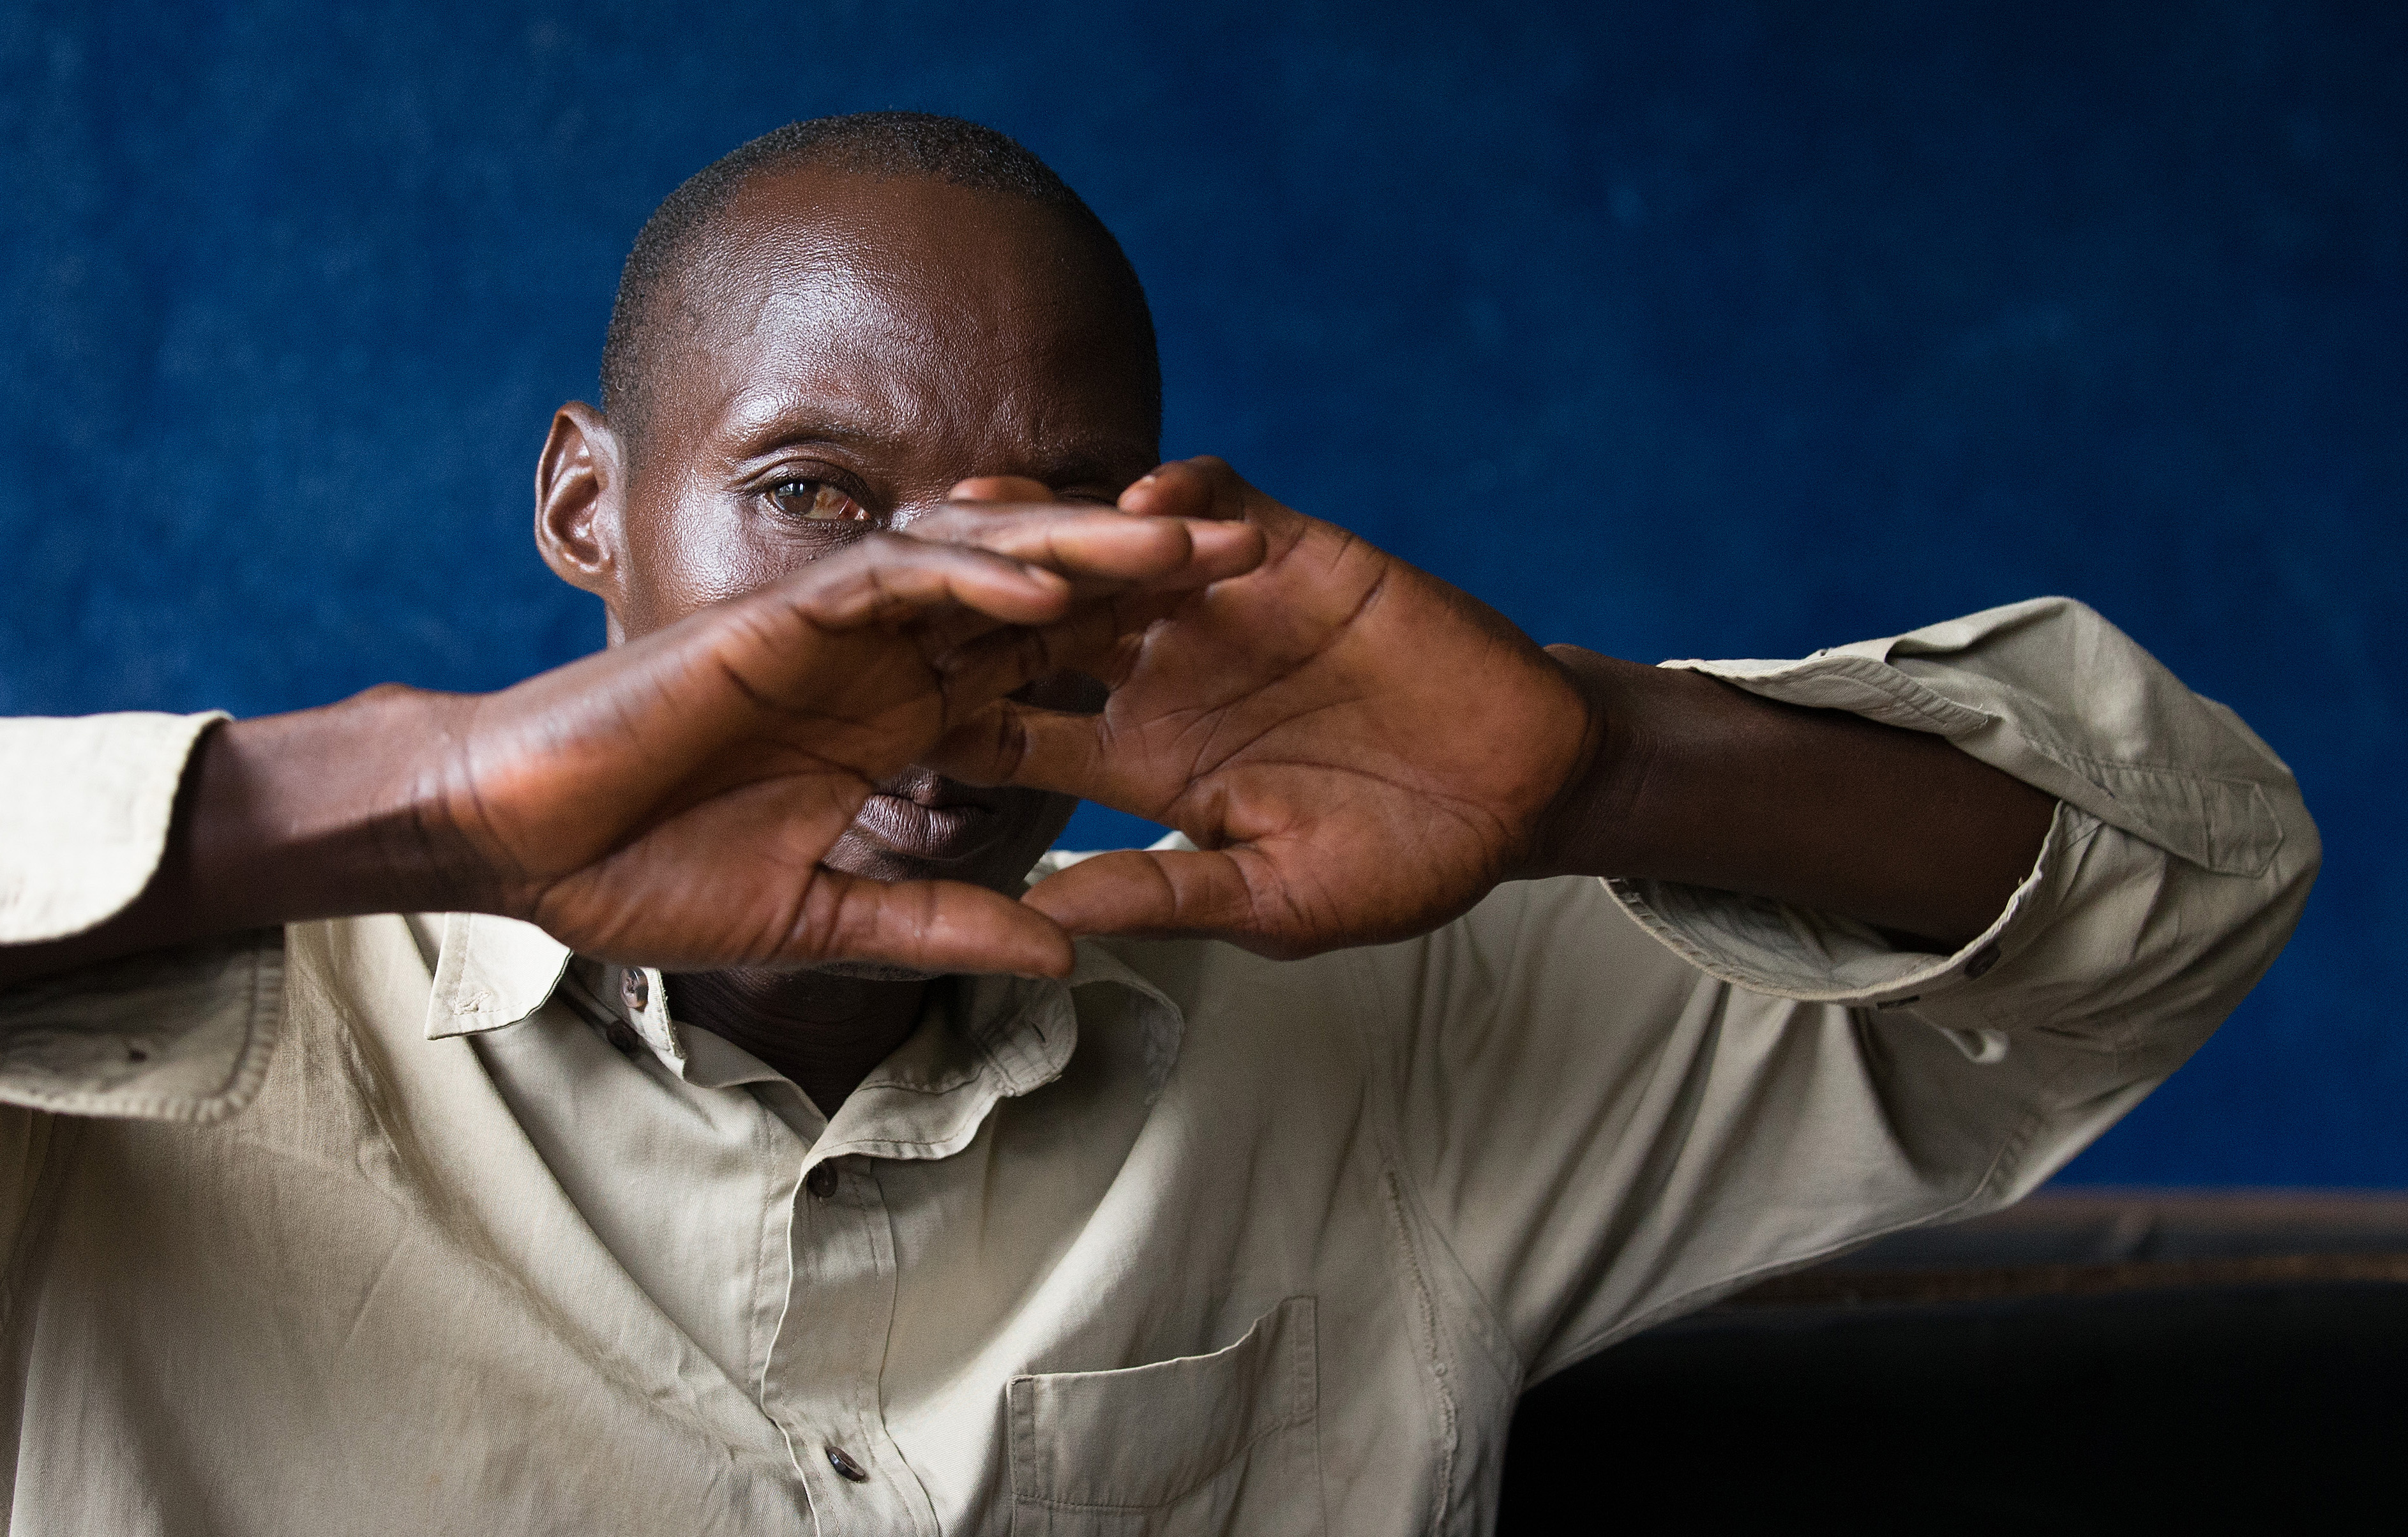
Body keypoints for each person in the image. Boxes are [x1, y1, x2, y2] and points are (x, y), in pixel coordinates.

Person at [0, 113, 2314, 1534]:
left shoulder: (1382, 1030)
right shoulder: (149, 1023)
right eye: (817, 498)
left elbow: (2176, 893)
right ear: (585, 509)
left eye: (1053, 525)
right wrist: (412, 797)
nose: (934, 614)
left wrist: (1612, 774)